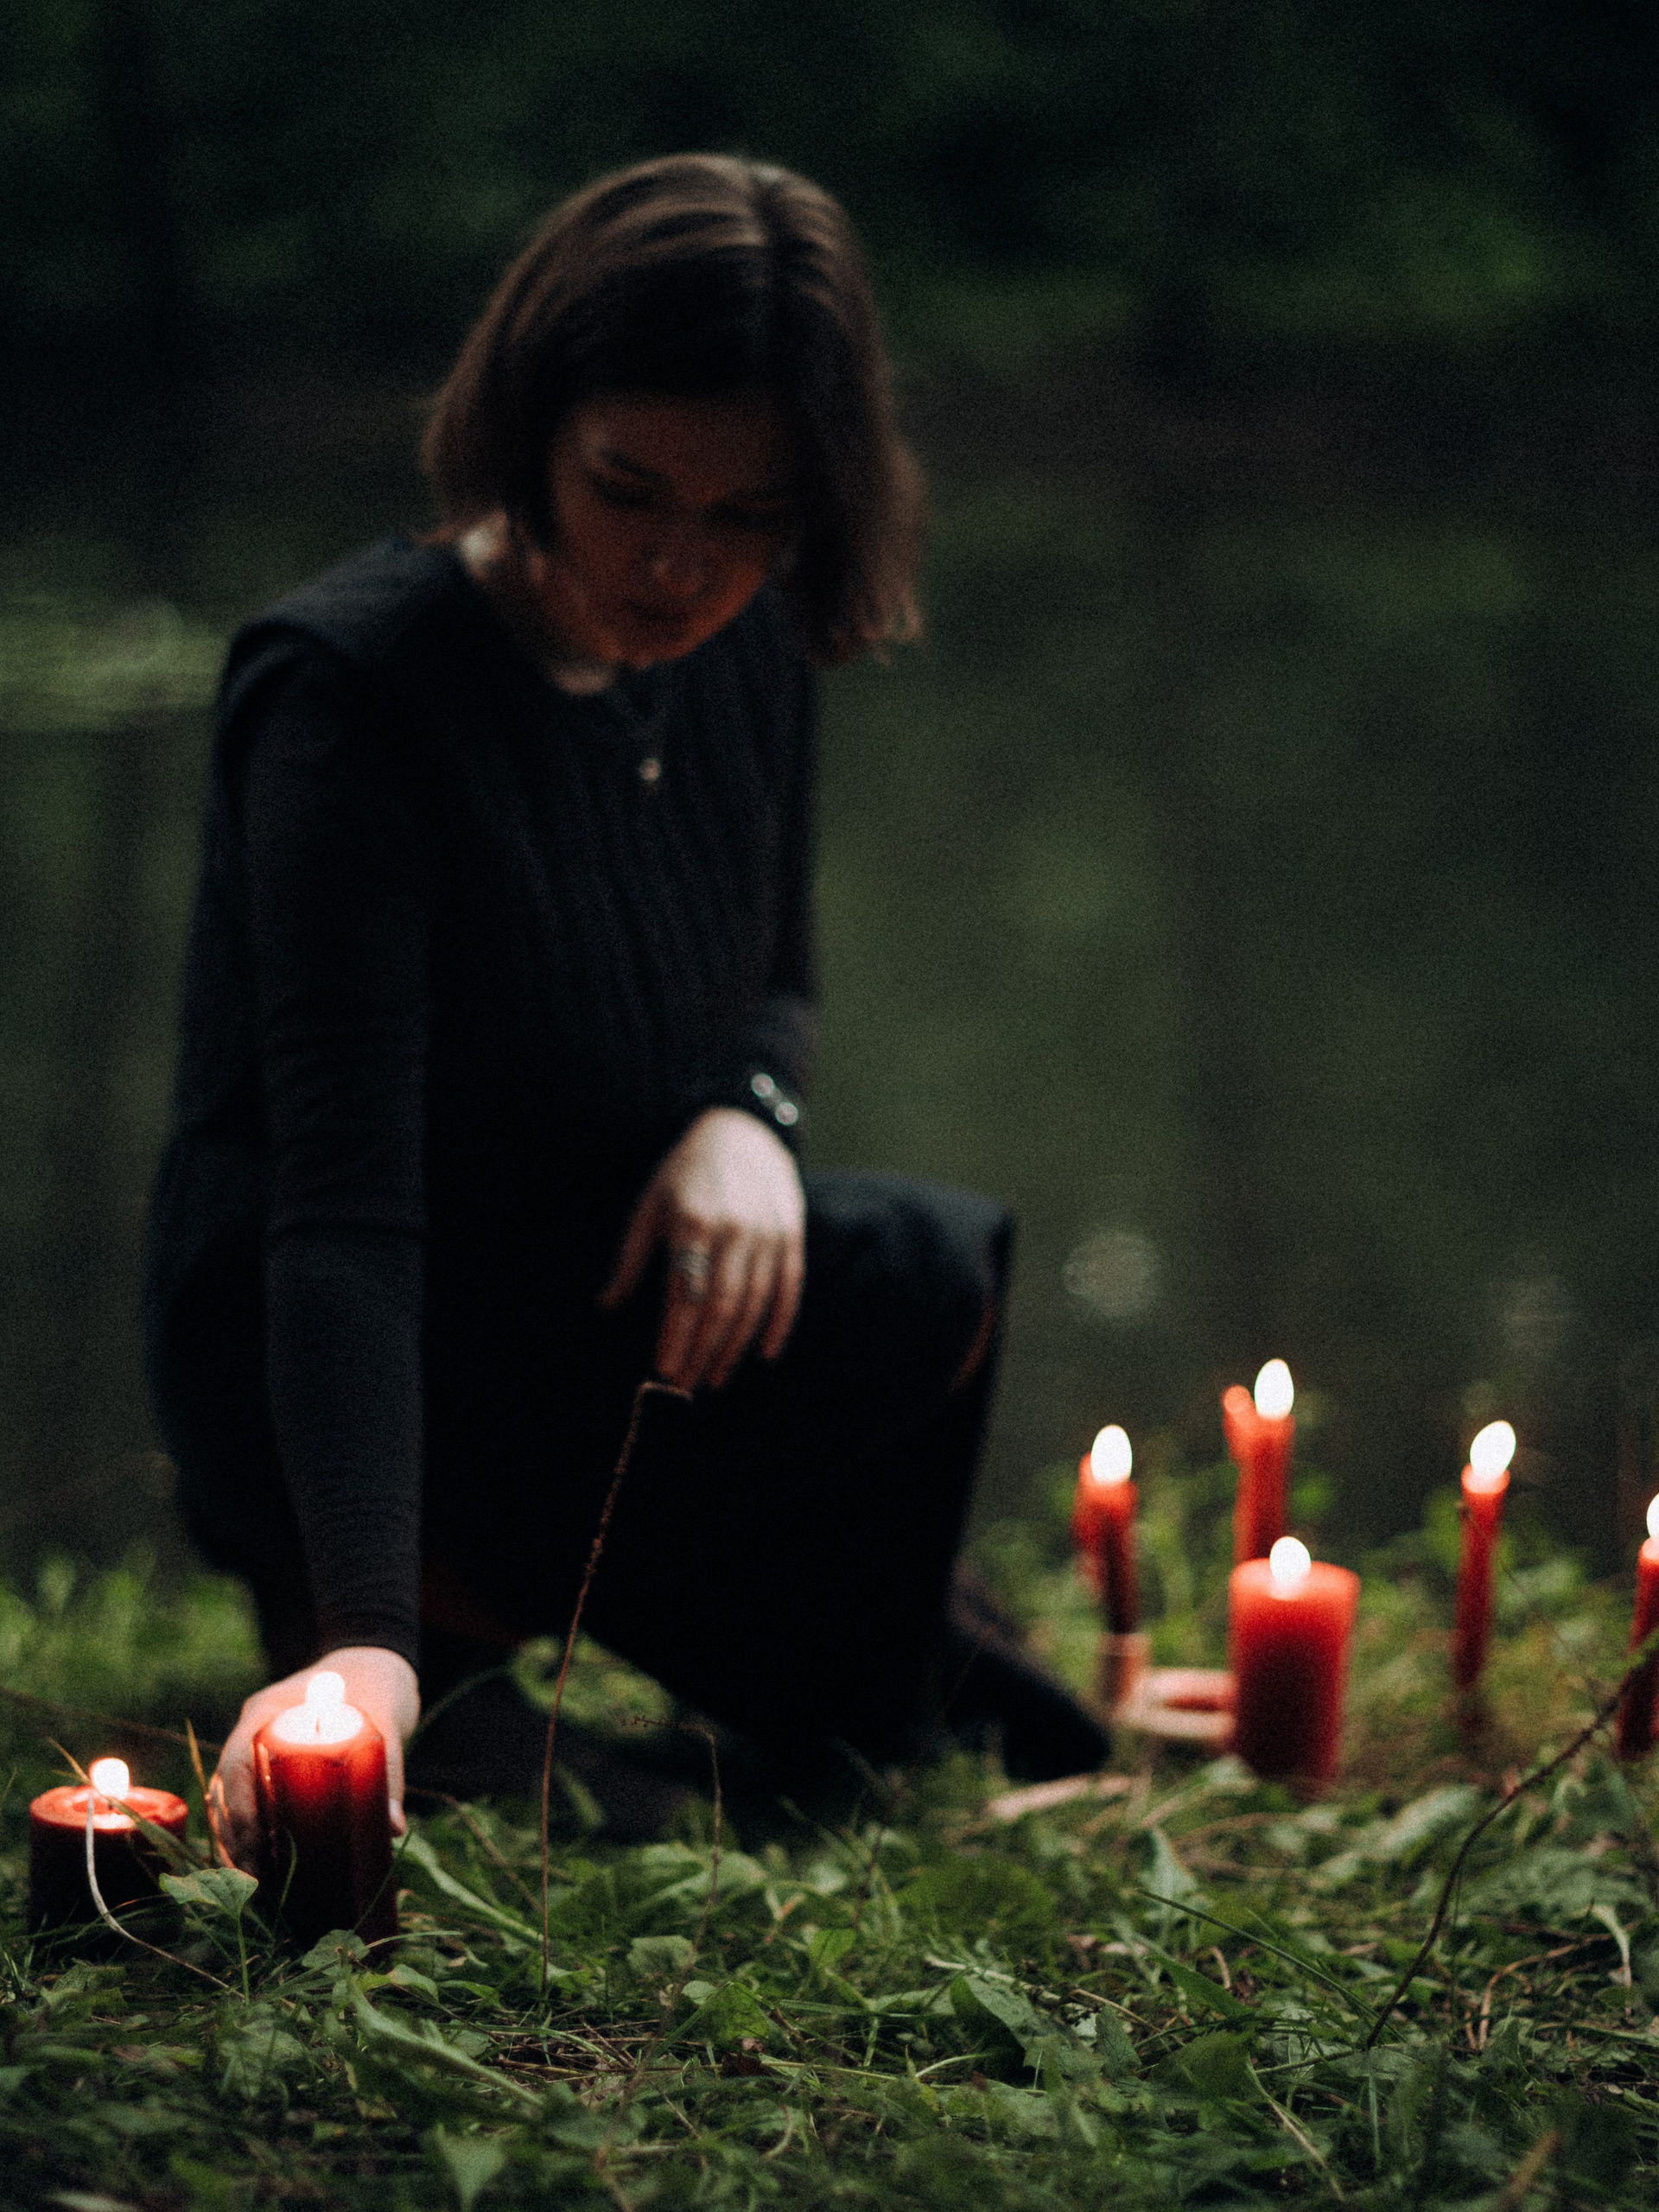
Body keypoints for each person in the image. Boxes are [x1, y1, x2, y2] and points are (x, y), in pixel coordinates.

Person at [143, 153, 1107, 1869]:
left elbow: (777, 976)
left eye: (748, 514)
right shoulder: (352, 700)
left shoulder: (748, 634)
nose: (678, 564)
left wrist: (746, 1112)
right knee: (663, 1782)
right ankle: (418, 1629)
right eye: (627, 490)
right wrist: (361, 1634)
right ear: (531, 429)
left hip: (584, 1267)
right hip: (355, 1323)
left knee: (919, 1277)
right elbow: (340, 1211)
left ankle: (711, 1643)